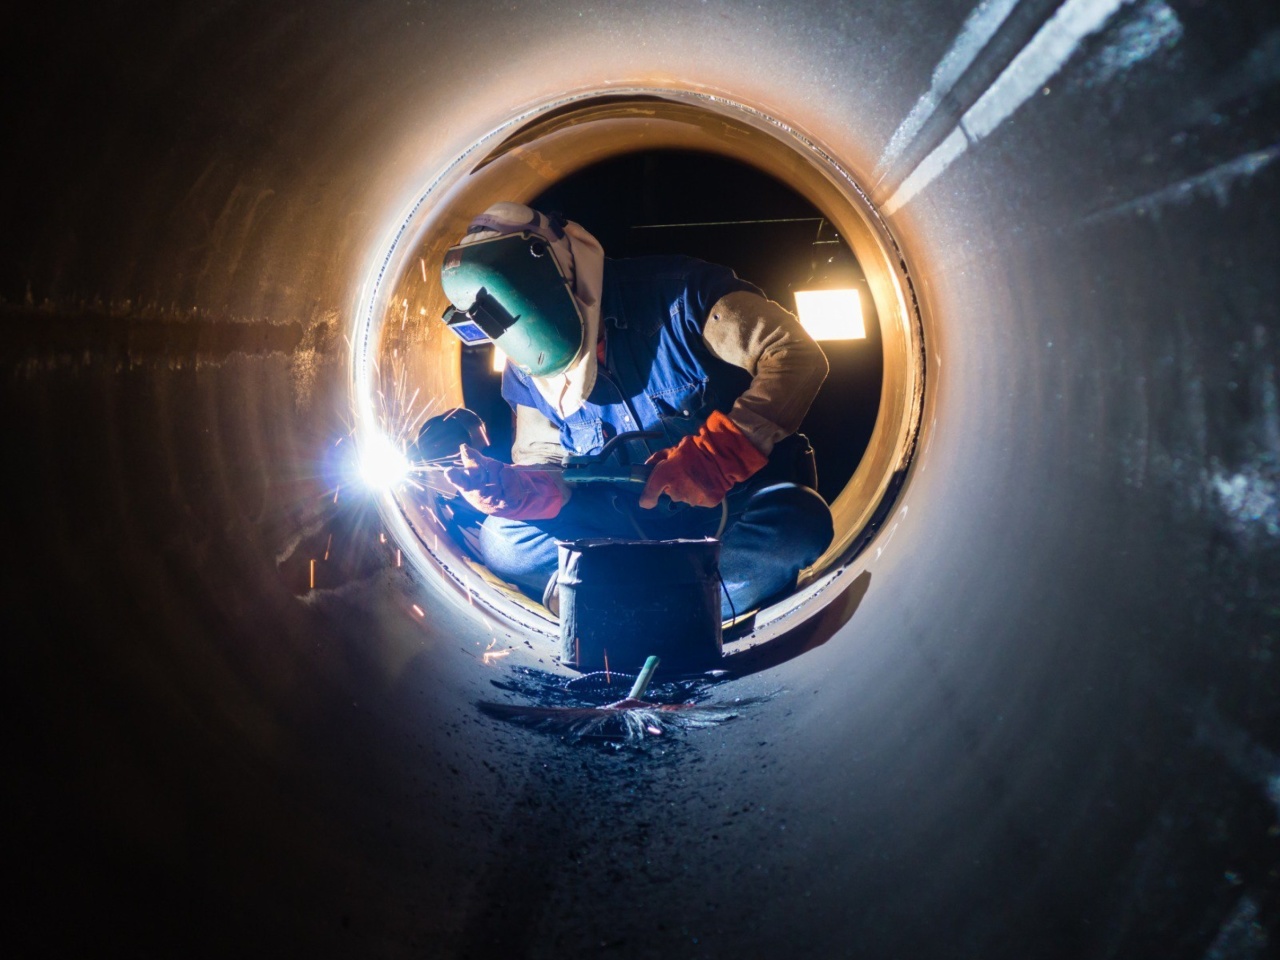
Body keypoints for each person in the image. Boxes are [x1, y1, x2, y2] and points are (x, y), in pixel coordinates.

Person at [436, 201, 834, 619]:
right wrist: (516, 492)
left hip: (729, 511)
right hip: (616, 526)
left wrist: (716, 458)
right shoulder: (525, 362)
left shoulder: (684, 296)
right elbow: (545, 461)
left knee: (798, 523)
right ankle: (670, 606)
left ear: (562, 282)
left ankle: (625, 606)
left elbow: (794, 354)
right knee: (503, 539)